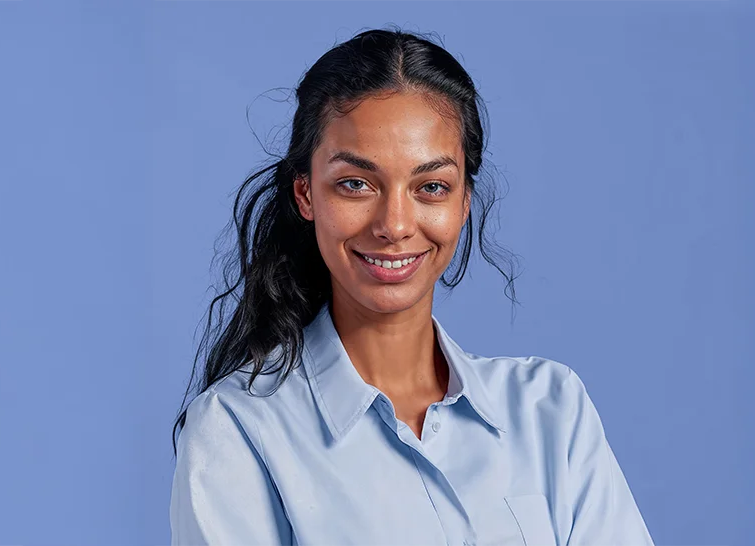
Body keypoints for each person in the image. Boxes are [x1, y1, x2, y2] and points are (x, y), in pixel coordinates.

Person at [170, 27, 655, 546]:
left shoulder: (551, 412)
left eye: (431, 187)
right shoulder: (236, 430)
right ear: (306, 194)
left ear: (463, 202)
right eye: (356, 183)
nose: (395, 224)